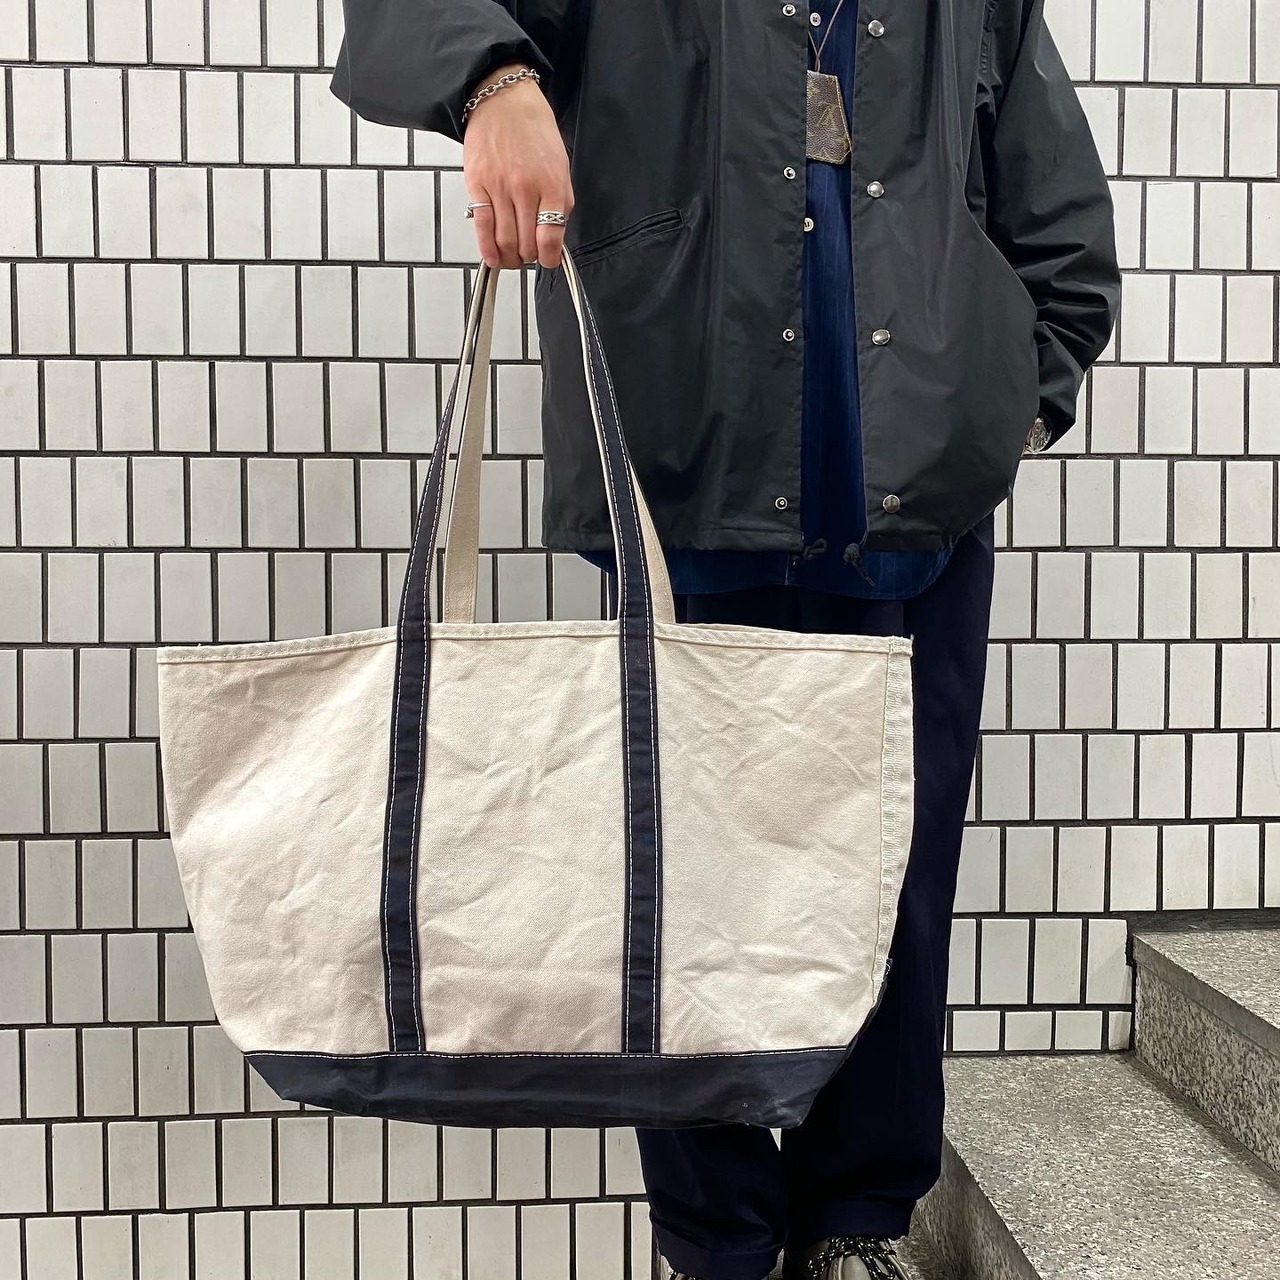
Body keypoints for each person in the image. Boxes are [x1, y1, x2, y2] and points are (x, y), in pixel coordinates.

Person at [330, 1, 1121, 1277]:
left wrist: (1003, 406)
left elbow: (1055, 218)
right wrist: (491, 83)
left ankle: (855, 1222)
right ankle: (717, 1243)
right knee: (680, 893)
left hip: (909, 509)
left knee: (893, 885)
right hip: (684, 485)